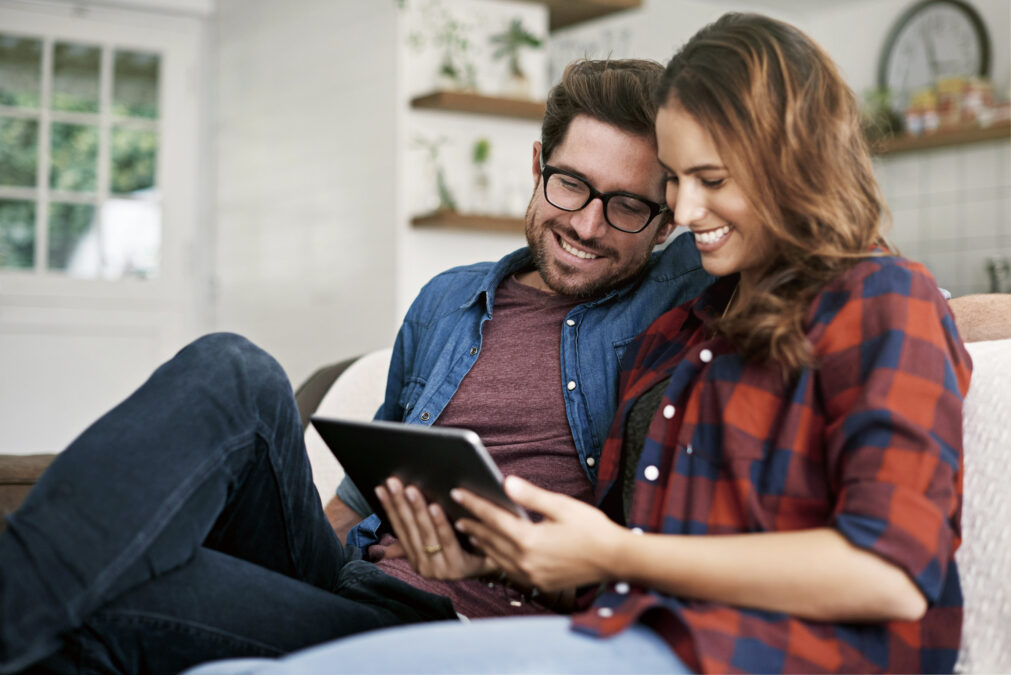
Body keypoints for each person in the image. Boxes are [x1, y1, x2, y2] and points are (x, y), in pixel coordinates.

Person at [214, 12, 972, 674]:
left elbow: (888, 572)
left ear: (794, 162)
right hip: (627, 633)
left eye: (708, 178)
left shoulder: (881, 300)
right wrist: (500, 555)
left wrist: (614, 554)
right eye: (676, 180)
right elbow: (638, 568)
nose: (684, 208)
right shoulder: (684, 335)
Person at [0, 59, 713, 674]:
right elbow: (362, 487)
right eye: (569, 185)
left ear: (668, 218)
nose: (587, 224)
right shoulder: (446, 300)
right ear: (536, 166)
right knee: (233, 368)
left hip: (451, 621)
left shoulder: (670, 299)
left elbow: (785, 213)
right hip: (350, 581)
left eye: (625, 206)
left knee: (121, 597)